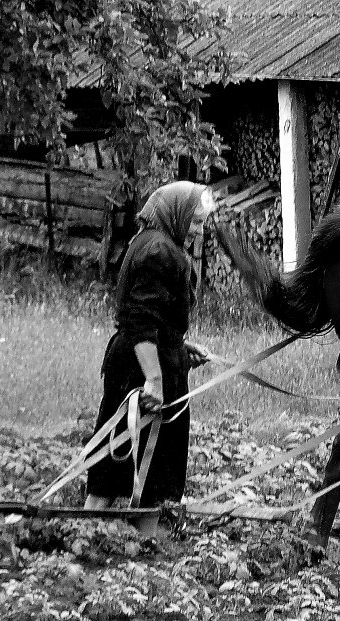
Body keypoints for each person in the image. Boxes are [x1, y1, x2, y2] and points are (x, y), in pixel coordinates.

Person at [83, 181, 216, 537]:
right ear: (176, 213)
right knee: (127, 450)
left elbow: (154, 318)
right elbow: (140, 321)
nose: (199, 230)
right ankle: (105, 531)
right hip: (139, 369)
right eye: (196, 221)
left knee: (148, 456)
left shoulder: (155, 244)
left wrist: (178, 346)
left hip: (151, 359)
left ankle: (135, 536)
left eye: (202, 223)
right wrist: (154, 379)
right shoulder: (158, 251)